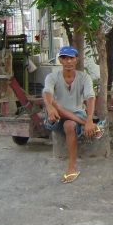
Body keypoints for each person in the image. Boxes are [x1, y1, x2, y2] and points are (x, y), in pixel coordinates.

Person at [42, 46, 104, 184]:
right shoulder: (52, 77)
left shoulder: (84, 77)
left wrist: (88, 117)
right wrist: (50, 107)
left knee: (70, 125)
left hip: (76, 116)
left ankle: (72, 167)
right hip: (56, 116)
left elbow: (90, 98)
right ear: (60, 60)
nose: (68, 61)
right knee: (56, 104)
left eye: (71, 58)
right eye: (64, 58)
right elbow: (47, 92)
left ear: (76, 60)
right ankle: (93, 126)